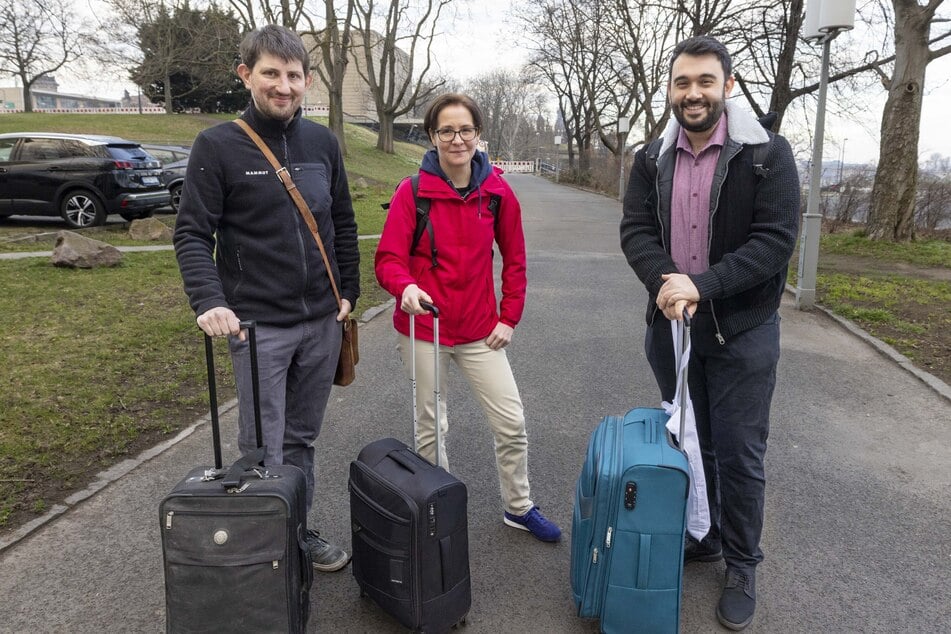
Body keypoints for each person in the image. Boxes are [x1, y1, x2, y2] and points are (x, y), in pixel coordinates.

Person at [619, 36, 799, 630]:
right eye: (682, 82)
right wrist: (667, 284)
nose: (692, 93)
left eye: (704, 81)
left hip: (741, 332)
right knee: (690, 441)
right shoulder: (652, 157)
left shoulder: (767, 155)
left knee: (740, 454)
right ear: (670, 89)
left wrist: (704, 284)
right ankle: (706, 534)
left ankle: (743, 563)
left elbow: (774, 243)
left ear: (726, 85)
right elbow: (636, 231)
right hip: (671, 331)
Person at [173, 24, 359, 573]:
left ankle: (295, 532)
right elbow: (190, 233)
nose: (284, 86)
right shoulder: (217, 145)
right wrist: (208, 299)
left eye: (294, 75)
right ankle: (263, 550)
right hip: (256, 329)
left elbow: (342, 222)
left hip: (321, 324)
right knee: (262, 445)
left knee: (302, 440)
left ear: (307, 81)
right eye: (271, 73)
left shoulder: (323, 143)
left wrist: (348, 290)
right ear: (246, 75)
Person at [374, 93, 561, 543]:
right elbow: (387, 260)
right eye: (446, 131)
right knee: (430, 427)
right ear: (433, 136)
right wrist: (406, 288)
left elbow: (515, 260)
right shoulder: (412, 191)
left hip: (480, 331)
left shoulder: (497, 192)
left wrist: (509, 317)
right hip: (424, 329)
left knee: (511, 420)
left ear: (478, 135)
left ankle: (518, 507)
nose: (456, 140)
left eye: (465, 130)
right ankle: (437, 511)